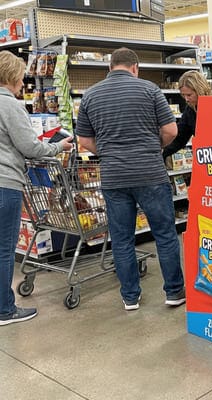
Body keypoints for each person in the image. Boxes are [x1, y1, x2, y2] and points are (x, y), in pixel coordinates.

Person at [75, 47, 186, 311]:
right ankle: (173, 292)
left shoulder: (90, 95)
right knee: (165, 234)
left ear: (109, 68)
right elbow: (171, 130)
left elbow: (84, 140)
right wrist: (152, 147)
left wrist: (110, 152)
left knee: (122, 238)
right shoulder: (149, 90)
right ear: (135, 68)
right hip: (150, 173)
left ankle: (130, 297)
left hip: (114, 177)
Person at [0, 50, 73, 325]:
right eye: (21, 77)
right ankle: (5, 310)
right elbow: (29, 147)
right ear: (13, 76)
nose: (23, 82)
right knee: (4, 250)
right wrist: (57, 146)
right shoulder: (10, 105)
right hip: (5, 183)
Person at [162, 70, 212, 160]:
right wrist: (161, 153)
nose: (186, 99)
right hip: (209, 156)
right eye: (183, 95)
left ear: (199, 90)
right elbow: (180, 137)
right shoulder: (190, 110)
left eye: (189, 95)